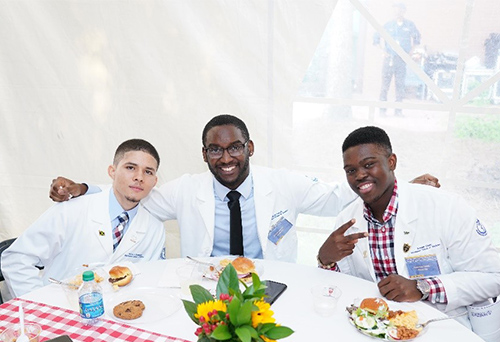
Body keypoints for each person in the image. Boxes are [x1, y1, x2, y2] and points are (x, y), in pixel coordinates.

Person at [49, 115, 438, 263]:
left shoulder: (283, 183)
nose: (226, 158)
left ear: (249, 148)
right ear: (204, 155)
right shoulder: (186, 190)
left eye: (234, 147)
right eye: (215, 150)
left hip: (273, 287)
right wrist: (84, 188)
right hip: (208, 287)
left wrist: (398, 186)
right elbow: (132, 192)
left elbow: (341, 193)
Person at [317, 126, 500, 329]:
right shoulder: (348, 220)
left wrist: (423, 288)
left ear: (391, 162)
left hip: (441, 327)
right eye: (351, 171)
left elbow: (492, 276)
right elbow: (346, 287)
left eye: (369, 165)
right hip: (376, 329)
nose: (359, 175)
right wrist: (326, 260)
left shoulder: (446, 206)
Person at [2, 139, 166, 297]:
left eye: (148, 172)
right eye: (130, 167)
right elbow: (16, 259)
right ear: (112, 171)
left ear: (155, 181)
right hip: (60, 308)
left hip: (117, 315)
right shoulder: (71, 210)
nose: (139, 177)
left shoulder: (155, 229)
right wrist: (40, 305)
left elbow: (150, 279)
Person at [373, 2, 420, 117]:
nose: (396, 12)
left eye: (399, 9)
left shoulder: (409, 25)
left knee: (400, 85)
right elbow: (376, 38)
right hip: (389, 59)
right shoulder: (388, 25)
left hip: (401, 61)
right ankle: (382, 110)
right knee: (385, 85)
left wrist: (410, 52)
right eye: (394, 9)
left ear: (404, 11)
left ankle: (398, 111)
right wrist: (383, 51)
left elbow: (417, 38)